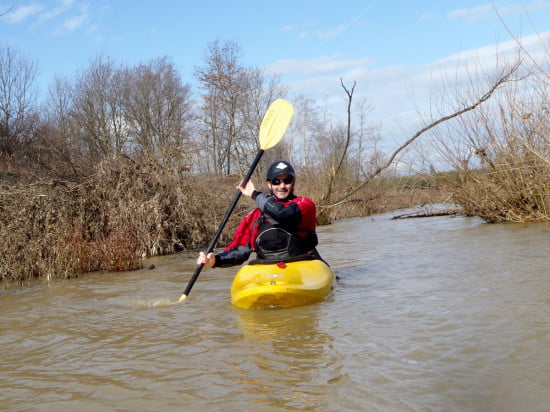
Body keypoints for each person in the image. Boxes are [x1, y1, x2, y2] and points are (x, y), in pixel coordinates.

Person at [197, 160, 321, 268]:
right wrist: (215, 260)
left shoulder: (304, 204)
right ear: (269, 184)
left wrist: (255, 194)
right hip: (267, 268)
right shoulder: (254, 216)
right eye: (276, 181)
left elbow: (282, 214)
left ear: (293, 182)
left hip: (303, 263)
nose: (282, 186)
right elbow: (240, 249)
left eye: (287, 181)